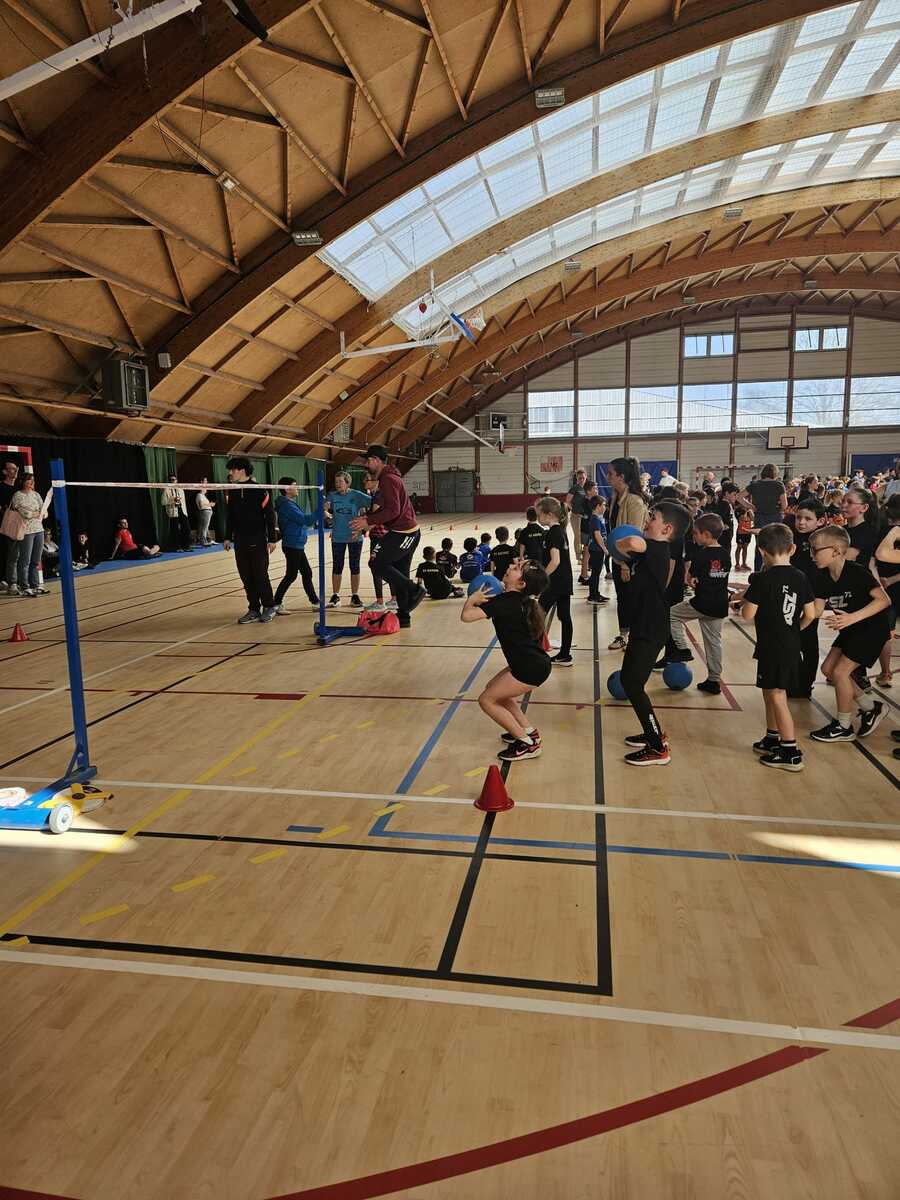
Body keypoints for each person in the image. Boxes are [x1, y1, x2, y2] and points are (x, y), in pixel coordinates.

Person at [617, 500, 690, 766]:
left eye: (653, 517)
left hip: (650, 628)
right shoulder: (650, 551)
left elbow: (631, 543)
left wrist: (627, 539)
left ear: (667, 529)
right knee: (629, 680)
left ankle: (658, 747)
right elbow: (624, 553)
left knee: (632, 685)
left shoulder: (657, 548)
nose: (648, 520)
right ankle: (654, 732)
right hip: (644, 625)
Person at [740, 524, 816, 771]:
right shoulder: (801, 576)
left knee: (777, 695)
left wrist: (743, 602)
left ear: (761, 551)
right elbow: (810, 614)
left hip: (773, 646)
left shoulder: (762, 579)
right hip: (790, 644)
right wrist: (794, 630)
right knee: (769, 689)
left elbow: (747, 614)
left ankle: (791, 751)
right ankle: (772, 737)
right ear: (792, 548)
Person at [460, 556, 551, 763]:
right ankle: (528, 731)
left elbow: (467, 616)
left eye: (516, 568)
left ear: (522, 583)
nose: (510, 566)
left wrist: (471, 599)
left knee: (486, 700)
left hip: (529, 668)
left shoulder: (504, 602)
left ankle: (528, 744)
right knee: (494, 690)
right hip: (532, 664)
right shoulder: (518, 600)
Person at [808, 525, 891, 742]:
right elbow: (816, 611)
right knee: (828, 669)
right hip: (852, 629)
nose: (812, 555)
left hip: (872, 629)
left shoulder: (857, 572)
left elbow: (884, 600)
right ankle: (871, 707)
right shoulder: (821, 576)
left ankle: (844, 726)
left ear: (836, 550)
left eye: (815, 550)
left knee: (840, 673)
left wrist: (852, 617)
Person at [349, 445, 424, 629]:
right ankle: (404, 616)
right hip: (406, 531)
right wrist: (367, 524)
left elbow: (393, 510)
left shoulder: (388, 479)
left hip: (403, 532)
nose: (366, 465)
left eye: (368, 461)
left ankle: (414, 589)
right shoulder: (389, 477)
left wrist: (368, 520)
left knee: (377, 563)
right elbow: (384, 509)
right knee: (400, 572)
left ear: (376, 460)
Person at [668, 512, 730, 695]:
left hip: (702, 603)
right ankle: (714, 680)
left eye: (695, 533)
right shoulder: (725, 554)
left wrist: (691, 580)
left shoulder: (701, 555)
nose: (693, 536)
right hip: (720, 605)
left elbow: (690, 579)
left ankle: (683, 649)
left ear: (706, 535)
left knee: (671, 614)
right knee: (714, 643)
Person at [223, 456, 277, 624]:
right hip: (240, 540)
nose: (231, 473)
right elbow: (230, 517)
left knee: (260, 575)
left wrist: (272, 539)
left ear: (242, 470)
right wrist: (227, 537)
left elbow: (270, 516)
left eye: (233, 469)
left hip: (257, 539)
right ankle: (254, 609)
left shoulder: (260, 490)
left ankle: (269, 606)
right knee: (246, 576)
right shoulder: (232, 491)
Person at [606, 457, 648, 651]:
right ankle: (624, 635)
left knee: (632, 599)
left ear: (621, 477)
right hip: (617, 557)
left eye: (611, 474)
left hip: (630, 561)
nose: (608, 477)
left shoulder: (634, 502)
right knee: (622, 599)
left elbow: (634, 537)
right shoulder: (615, 497)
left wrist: (624, 564)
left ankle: (636, 637)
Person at [788, 498, 827, 699]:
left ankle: (805, 684)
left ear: (820, 521)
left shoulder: (822, 541)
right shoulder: (791, 537)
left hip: (811, 598)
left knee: (809, 642)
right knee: (790, 641)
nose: (801, 522)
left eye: (807, 519)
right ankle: (793, 680)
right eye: (798, 518)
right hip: (790, 596)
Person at [325, 471, 372, 608]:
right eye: (336, 482)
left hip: (354, 537)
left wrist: (365, 522)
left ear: (348, 483)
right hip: (338, 537)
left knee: (354, 566)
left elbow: (375, 504)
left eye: (340, 481)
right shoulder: (332, 495)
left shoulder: (356, 495)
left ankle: (354, 596)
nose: (338, 484)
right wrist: (326, 514)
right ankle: (335, 595)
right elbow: (325, 509)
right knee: (337, 566)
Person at [536, 496, 573, 666]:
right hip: (564, 581)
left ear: (549, 514)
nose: (538, 518)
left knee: (536, 615)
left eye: (539, 514)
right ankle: (565, 655)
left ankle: (535, 653)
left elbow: (555, 561)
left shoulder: (554, 532)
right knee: (565, 617)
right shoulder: (560, 531)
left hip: (555, 583)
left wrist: (541, 579)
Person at [273, 477, 319, 613]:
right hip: (292, 544)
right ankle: (276, 603)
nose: (297, 487)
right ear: (287, 489)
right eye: (294, 485)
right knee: (291, 575)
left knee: (306, 572)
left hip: (296, 544)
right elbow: (306, 520)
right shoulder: (287, 505)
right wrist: (320, 510)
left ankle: (315, 602)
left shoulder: (289, 503)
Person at [4, 473, 46, 596]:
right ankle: (24, 586)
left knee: (36, 560)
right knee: (25, 560)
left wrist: (38, 513)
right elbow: (25, 514)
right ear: (23, 481)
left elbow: (44, 512)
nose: (32, 482)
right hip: (26, 531)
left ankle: (35, 585)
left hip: (39, 529)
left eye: (33, 480)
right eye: (29, 480)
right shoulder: (18, 495)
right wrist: (36, 513)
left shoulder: (36, 495)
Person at [873, 499, 900, 686]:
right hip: (888, 587)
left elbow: (875, 559)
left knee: (886, 632)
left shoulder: (883, 532)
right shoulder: (884, 532)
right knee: (886, 632)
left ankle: (885, 672)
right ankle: (885, 673)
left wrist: (886, 582)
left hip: (885, 589)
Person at [742, 464, 787, 571]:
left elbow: (739, 496)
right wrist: (779, 509)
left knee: (760, 547)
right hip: (775, 518)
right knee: (775, 547)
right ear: (775, 473)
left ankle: (758, 572)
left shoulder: (754, 484)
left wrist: (751, 506)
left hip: (759, 518)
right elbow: (785, 505)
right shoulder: (779, 485)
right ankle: (775, 571)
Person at [841, 485, 879, 568]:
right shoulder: (842, 529)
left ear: (864, 508)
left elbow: (844, 559)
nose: (843, 505)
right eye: (843, 501)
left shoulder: (867, 531)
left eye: (850, 502)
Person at [565, 468, 589, 576]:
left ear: (586, 477)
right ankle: (579, 557)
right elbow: (568, 501)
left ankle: (586, 555)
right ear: (577, 478)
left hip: (586, 516)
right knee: (578, 536)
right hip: (576, 516)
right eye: (580, 478)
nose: (582, 480)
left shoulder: (588, 487)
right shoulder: (574, 488)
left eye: (583, 478)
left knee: (586, 535)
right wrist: (574, 510)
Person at [586, 495, 609, 605]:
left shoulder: (598, 518)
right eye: (604, 505)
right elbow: (597, 535)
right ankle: (592, 596)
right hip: (596, 549)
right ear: (598, 506)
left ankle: (596, 593)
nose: (605, 507)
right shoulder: (595, 519)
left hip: (598, 549)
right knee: (595, 573)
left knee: (597, 572)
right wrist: (604, 548)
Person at [0, 459, 19, 594]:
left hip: (18, 526)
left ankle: (17, 581)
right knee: (4, 552)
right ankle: (3, 580)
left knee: (16, 554)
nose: (15, 470)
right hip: (4, 526)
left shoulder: (19, 489)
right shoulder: (1, 487)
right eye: (12, 468)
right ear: (5, 472)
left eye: (16, 468)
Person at [162, 475, 193, 552]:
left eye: (174, 479)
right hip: (173, 512)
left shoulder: (180, 490)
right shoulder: (166, 490)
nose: (173, 481)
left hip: (182, 510)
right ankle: (176, 547)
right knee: (175, 530)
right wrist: (173, 500)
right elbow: (163, 502)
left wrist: (185, 512)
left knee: (187, 528)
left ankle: (186, 546)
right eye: (171, 480)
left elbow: (184, 502)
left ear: (176, 480)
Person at [195, 479, 216, 546]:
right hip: (205, 512)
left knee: (206, 527)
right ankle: (203, 541)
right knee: (204, 528)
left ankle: (208, 540)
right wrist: (210, 504)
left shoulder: (204, 496)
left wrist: (210, 505)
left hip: (207, 512)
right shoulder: (199, 495)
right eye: (205, 488)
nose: (206, 489)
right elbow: (202, 506)